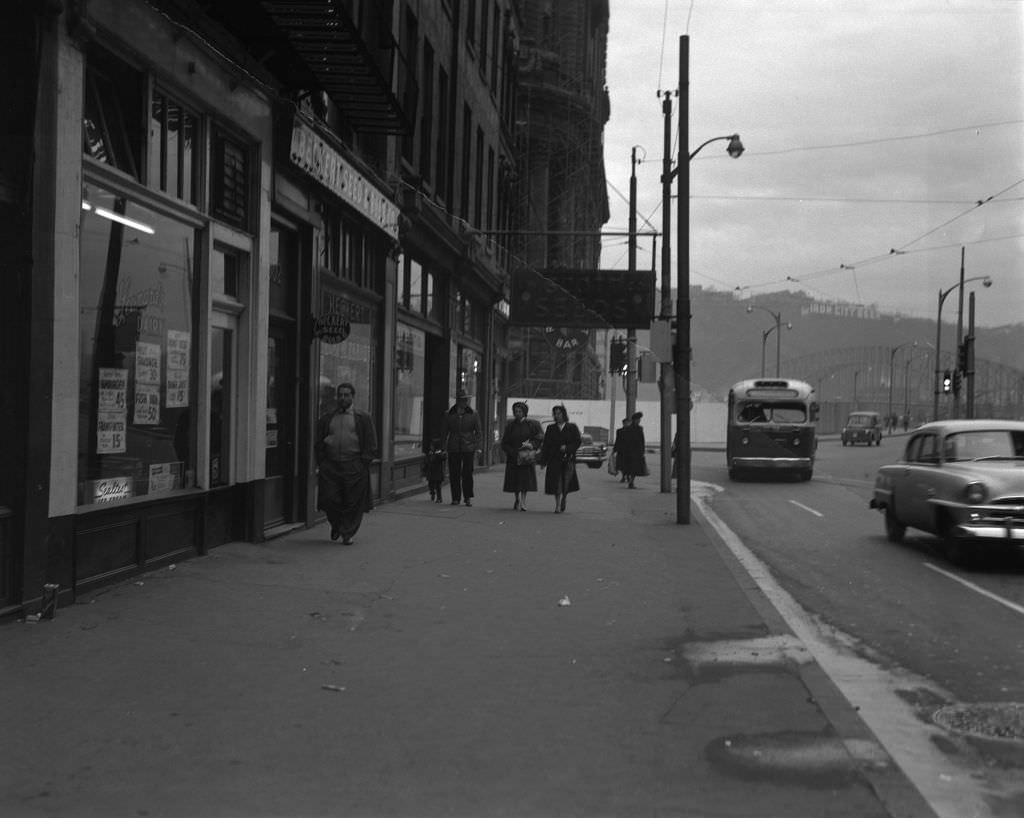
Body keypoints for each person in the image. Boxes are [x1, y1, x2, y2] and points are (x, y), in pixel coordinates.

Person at [315, 382, 378, 545]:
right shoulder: (328, 417)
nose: (343, 398)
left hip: (354, 466)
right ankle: (337, 525)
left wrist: (363, 463)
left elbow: (371, 443)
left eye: (346, 395)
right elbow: (319, 442)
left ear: (352, 397)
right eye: (340, 395)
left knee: (353, 503)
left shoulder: (363, 418)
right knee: (329, 499)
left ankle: (347, 533)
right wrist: (322, 463)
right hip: (331, 466)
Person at [500, 401, 543, 511]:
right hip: (514, 457)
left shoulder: (532, 425)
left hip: (526, 457)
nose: (517, 413)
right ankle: (517, 498)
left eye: (520, 411)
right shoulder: (510, 425)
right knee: (515, 480)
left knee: (525, 480)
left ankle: (523, 501)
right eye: (516, 411)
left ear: (524, 412)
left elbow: (539, 438)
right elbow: (504, 443)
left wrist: (531, 445)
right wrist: (512, 452)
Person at [539, 404, 581, 513]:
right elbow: (546, 445)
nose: (557, 416)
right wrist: (543, 461)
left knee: (566, 482)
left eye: (559, 413)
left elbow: (577, 441)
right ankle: (557, 504)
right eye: (555, 414)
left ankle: (564, 497)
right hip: (554, 459)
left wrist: (567, 448)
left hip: (568, 459)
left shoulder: (572, 427)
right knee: (556, 482)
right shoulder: (551, 428)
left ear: (564, 414)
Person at [444, 388, 482, 507]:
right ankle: (455, 498)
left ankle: (467, 497)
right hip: (454, 447)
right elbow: (444, 432)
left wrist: (477, 446)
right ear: (458, 401)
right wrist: (443, 448)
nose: (465, 402)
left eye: (466, 400)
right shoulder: (449, 414)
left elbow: (479, 432)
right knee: (454, 473)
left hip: (468, 447)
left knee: (467, 473)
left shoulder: (473, 414)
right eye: (462, 400)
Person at [614, 411, 648, 489]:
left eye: (639, 419)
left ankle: (631, 481)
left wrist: (642, 450)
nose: (639, 421)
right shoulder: (628, 429)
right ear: (634, 420)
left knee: (634, 468)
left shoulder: (640, 428)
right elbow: (624, 441)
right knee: (629, 467)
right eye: (638, 419)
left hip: (637, 452)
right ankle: (629, 480)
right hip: (629, 452)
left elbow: (642, 440)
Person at [422, 437, 447, 503]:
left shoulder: (440, 453)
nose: (431, 447)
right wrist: (424, 471)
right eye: (431, 446)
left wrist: (438, 453)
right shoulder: (430, 453)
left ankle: (439, 498)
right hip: (430, 472)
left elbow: (444, 457)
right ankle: (432, 493)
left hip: (438, 472)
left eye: (432, 446)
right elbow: (426, 462)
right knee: (431, 484)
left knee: (438, 486)